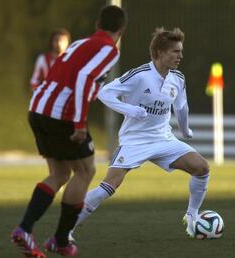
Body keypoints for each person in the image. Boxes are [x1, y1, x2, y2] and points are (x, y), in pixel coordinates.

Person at [69, 27, 210, 240]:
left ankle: (192, 217)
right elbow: (104, 93)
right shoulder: (139, 75)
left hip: (163, 139)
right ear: (160, 52)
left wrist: (185, 128)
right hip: (135, 141)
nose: (180, 56)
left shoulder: (178, 78)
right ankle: (66, 229)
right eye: (175, 51)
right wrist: (130, 110)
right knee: (109, 186)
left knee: (202, 168)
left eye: (181, 51)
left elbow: (181, 107)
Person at [11, 5, 127, 257]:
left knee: (60, 173)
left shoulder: (78, 44)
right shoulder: (109, 49)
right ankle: (61, 240)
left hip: (38, 107)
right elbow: (84, 78)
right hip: (61, 114)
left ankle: (25, 230)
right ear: (121, 30)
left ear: (97, 23)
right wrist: (79, 123)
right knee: (86, 170)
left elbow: (66, 74)